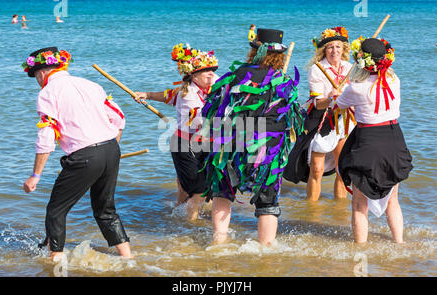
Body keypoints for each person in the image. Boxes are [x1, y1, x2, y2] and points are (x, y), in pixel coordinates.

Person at [21, 47, 132, 261]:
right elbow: (120, 118)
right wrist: (108, 150)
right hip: (111, 149)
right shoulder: (91, 84)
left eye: (35, 75)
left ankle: (56, 262)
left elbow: (46, 136)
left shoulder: (47, 92)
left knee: (56, 211)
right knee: (105, 210)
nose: (37, 80)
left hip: (85, 156)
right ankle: (128, 258)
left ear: (42, 73)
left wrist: (35, 176)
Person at [200, 28, 305, 245]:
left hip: (233, 144)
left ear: (254, 50)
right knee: (267, 203)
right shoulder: (285, 81)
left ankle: (218, 242)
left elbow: (215, 111)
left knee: (223, 193)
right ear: (280, 55)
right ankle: (266, 251)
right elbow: (292, 120)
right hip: (269, 150)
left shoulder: (237, 75)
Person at [331, 38, 412, 243]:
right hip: (394, 139)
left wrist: (335, 95)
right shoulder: (395, 80)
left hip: (367, 140)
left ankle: (360, 250)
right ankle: (399, 243)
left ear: (362, 61)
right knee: (393, 199)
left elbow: (339, 105)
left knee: (359, 203)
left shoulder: (355, 87)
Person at [134, 43, 219, 221]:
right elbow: (202, 120)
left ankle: (178, 216)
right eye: (207, 71)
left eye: (213, 70)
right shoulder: (187, 94)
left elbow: (167, 95)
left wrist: (148, 95)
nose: (212, 73)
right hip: (185, 145)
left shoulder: (210, 85)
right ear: (194, 75)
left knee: (193, 186)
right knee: (198, 191)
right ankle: (188, 225)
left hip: (204, 143)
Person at [284, 26, 354, 201]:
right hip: (322, 120)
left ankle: (339, 212)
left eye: (338, 46)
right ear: (324, 50)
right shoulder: (317, 69)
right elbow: (318, 103)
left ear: (344, 49)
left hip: (345, 120)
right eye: (330, 47)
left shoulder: (351, 68)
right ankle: (312, 211)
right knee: (316, 168)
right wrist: (331, 98)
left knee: (342, 169)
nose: (334, 51)